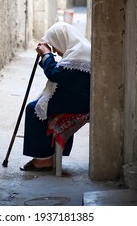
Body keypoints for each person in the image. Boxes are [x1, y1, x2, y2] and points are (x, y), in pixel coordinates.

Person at [20, 21, 91, 171]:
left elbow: (55, 74)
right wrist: (46, 57)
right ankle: (47, 154)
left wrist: (46, 54)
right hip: (78, 97)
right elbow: (61, 71)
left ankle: (42, 160)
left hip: (78, 101)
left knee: (33, 109)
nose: (56, 52)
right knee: (39, 105)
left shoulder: (79, 52)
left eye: (55, 46)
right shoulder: (80, 48)